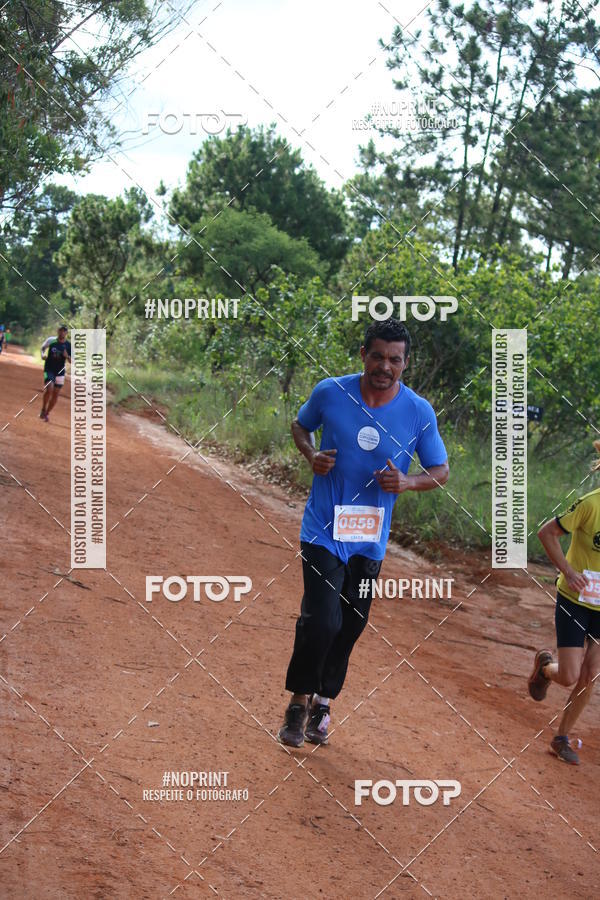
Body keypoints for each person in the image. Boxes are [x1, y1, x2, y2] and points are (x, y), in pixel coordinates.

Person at [277, 319, 449, 748]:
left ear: (405, 363)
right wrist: (311, 453)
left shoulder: (418, 411)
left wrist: (408, 483)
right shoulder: (331, 391)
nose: (384, 366)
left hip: (370, 541)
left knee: (351, 622)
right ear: (363, 355)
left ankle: (323, 701)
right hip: (323, 530)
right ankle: (298, 703)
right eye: (377, 356)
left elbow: (441, 471)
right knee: (321, 620)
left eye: (395, 359)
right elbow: (301, 425)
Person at [528, 441, 600, 765]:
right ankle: (545, 667)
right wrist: (568, 571)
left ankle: (561, 738)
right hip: (575, 599)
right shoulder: (589, 504)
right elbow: (546, 533)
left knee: (590, 675)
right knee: (570, 675)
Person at [40, 325, 71, 422]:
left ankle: (47, 413)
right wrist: (43, 355)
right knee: (49, 389)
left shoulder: (69, 345)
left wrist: (67, 357)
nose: (62, 333)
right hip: (49, 369)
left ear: (66, 333)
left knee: (55, 394)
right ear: (58, 331)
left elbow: (72, 361)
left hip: (60, 372)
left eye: (64, 331)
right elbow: (43, 348)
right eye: (60, 331)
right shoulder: (51, 340)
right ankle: (43, 408)